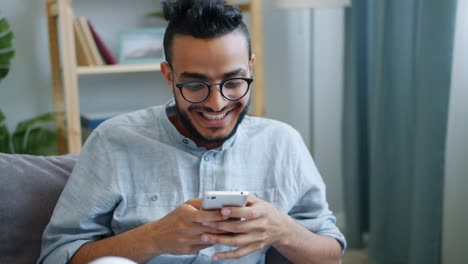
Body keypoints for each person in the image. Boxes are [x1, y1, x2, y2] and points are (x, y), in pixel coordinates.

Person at [38, 0, 346, 263]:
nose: (217, 104)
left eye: (234, 82)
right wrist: (153, 238)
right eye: (196, 85)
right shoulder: (112, 142)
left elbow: (331, 255)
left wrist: (283, 230)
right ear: (169, 77)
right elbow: (56, 255)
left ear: (251, 68)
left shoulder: (282, 143)